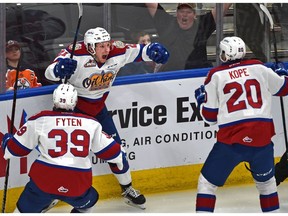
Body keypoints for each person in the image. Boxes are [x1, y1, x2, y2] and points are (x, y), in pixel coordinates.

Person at [44, 27, 169, 209]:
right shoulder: (74, 53)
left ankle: (127, 189)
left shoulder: (116, 51)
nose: (106, 49)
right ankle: (52, 193)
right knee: (64, 157)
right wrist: (58, 69)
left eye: (107, 44)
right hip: (74, 112)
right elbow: (49, 72)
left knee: (117, 152)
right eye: (101, 46)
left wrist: (154, 50)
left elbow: (142, 51)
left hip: (99, 111)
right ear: (90, 47)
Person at [194, 36, 288, 213]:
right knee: (267, 185)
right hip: (262, 140)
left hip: (232, 141)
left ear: (224, 55)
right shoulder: (259, 68)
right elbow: (284, 89)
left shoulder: (215, 75)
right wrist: (282, 74)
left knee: (207, 184)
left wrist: (200, 102)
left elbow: (209, 118)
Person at [1, 83, 129, 213]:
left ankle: (44, 201)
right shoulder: (91, 123)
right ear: (75, 101)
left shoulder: (40, 119)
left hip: (44, 181)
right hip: (77, 183)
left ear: (54, 100)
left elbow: (14, 151)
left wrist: (7, 141)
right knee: (89, 203)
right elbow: (114, 153)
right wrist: (120, 156)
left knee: (22, 211)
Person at [145, 3, 232, 72]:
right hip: (171, 77)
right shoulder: (167, 23)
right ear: (176, 13)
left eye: (188, 12)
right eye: (181, 11)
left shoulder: (202, 25)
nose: (184, 15)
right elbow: (151, 4)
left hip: (198, 75)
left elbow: (223, 6)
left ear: (194, 15)